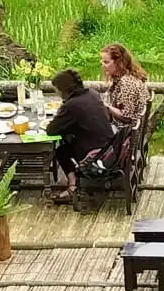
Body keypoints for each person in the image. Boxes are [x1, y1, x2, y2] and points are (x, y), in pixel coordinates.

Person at [46, 68, 115, 204]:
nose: (56, 93)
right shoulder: (92, 93)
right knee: (66, 142)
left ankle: (72, 187)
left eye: (57, 89)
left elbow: (51, 130)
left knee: (61, 150)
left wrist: (62, 110)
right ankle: (74, 183)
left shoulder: (72, 105)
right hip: (109, 146)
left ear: (64, 90)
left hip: (95, 154)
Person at [99, 42, 150, 126]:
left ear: (119, 63)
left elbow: (126, 117)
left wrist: (106, 106)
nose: (103, 66)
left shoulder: (127, 83)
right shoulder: (124, 78)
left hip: (124, 134)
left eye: (106, 62)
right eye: (102, 62)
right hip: (124, 131)